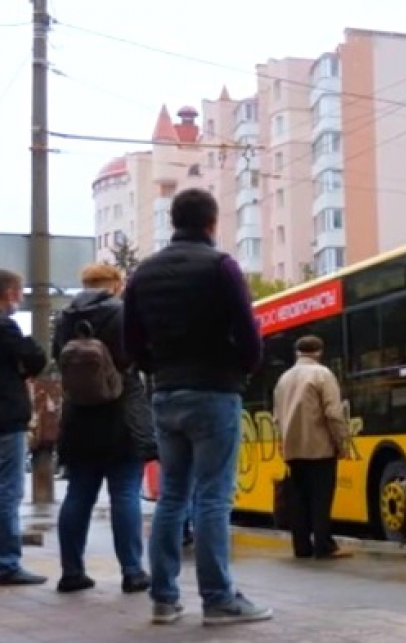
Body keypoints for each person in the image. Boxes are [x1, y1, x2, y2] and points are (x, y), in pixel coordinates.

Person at [124, 188, 272, 627]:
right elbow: (248, 334)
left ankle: (164, 599)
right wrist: (241, 369)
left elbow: (132, 343)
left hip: (166, 394)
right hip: (214, 392)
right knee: (212, 498)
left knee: (172, 497)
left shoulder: (142, 274)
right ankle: (218, 599)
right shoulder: (221, 266)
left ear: (174, 220)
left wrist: (160, 370)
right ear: (211, 222)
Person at [52, 263, 155, 594]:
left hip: (78, 416)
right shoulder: (122, 312)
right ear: (114, 284)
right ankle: (132, 571)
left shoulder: (66, 317)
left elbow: (57, 357)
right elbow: (139, 355)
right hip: (120, 413)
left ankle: (71, 572)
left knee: (78, 495)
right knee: (124, 493)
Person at [0, 269, 48, 585]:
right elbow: (35, 359)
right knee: (9, 489)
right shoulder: (3, 325)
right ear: (9, 292)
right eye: (19, 292)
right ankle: (6, 563)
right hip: (7, 415)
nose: (20, 298)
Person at [274, 336, 351, 560]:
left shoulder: (283, 379)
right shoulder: (322, 374)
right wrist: (342, 442)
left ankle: (301, 547)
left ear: (297, 353)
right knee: (321, 497)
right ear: (319, 351)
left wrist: (283, 442)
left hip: (292, 448)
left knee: (298, 498)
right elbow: (333, 413)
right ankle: (324, 545)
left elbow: (277, 417)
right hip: (319, 447)